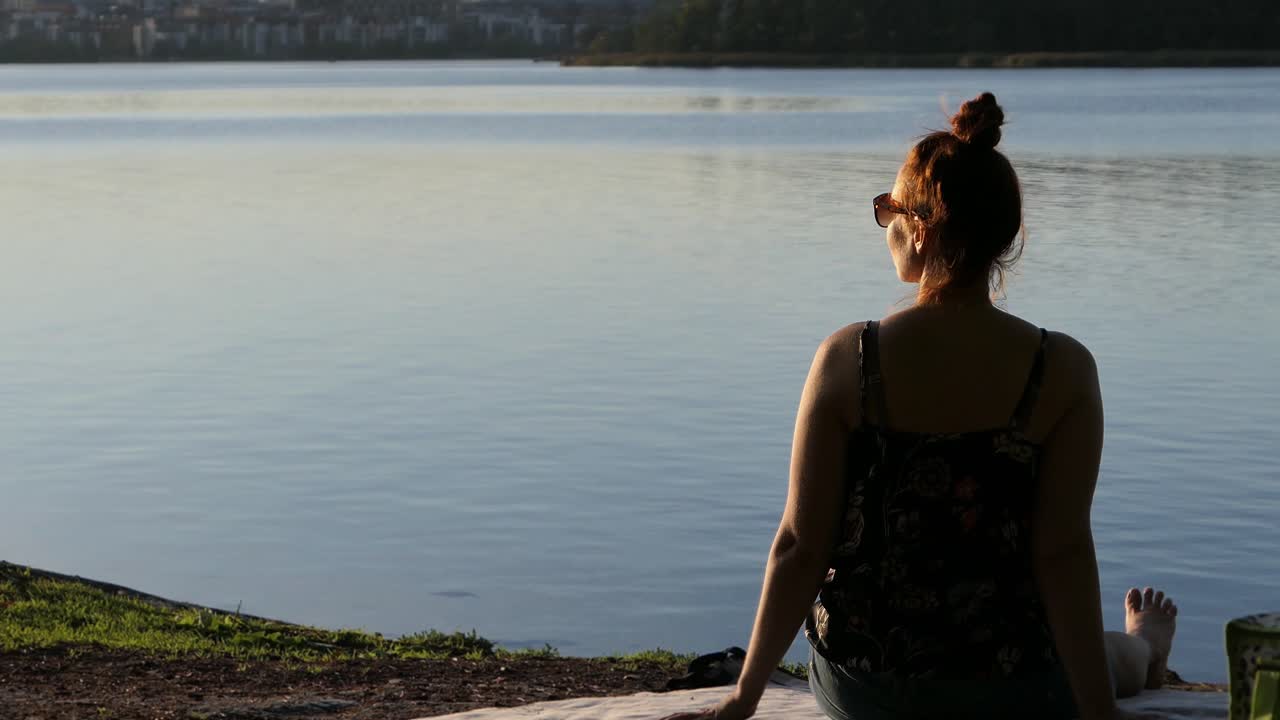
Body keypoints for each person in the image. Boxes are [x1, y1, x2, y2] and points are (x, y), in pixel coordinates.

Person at [660, 92, 1178, 720]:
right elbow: (1063, 552)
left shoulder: (849, 360)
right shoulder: (1063, 369)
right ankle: (1144, 650)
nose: (887, 225)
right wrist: (1099, 714)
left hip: (868, 684)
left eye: (889, 210)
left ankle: (1137, 649)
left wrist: (744, 698)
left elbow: (801, 543)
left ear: (922, 227)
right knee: (1107, 655)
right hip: (1010, 680)